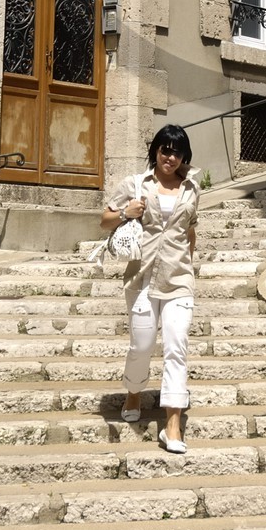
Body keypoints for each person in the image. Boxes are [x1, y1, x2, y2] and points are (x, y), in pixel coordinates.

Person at [100, 123, 200, 455]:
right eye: (165, 150)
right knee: (141, 345)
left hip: (178, 280)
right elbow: (104, 219)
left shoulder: (192, 189)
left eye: (177, 152)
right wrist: (125, 212)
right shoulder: (135, 184)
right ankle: (133, 392)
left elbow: (190, 230)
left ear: (184, 156)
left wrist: (189, 264)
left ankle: (173, 424)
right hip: (141, 278)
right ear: (155, 151)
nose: (170, 157)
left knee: (176, 346)